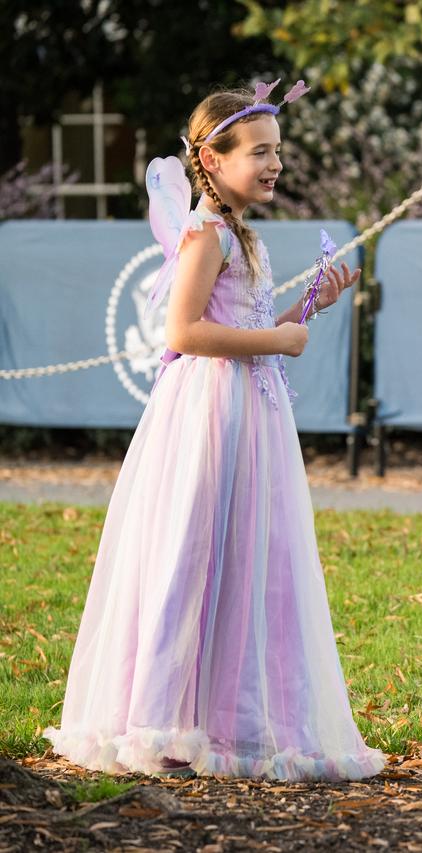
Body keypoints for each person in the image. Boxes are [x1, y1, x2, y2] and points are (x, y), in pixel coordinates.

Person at [44, 82, 384, 780]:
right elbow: (185, 330)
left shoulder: (237, 233)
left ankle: (230, 718)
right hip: (209, 411)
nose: (273, 164)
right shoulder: (206, 233)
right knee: (192, 551)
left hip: (248, 411)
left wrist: (306, 305)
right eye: (258, 151)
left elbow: (252, 321)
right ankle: (163, 717)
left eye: (277, 152)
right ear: (211, 156)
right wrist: (280, 343)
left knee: (246, 556)